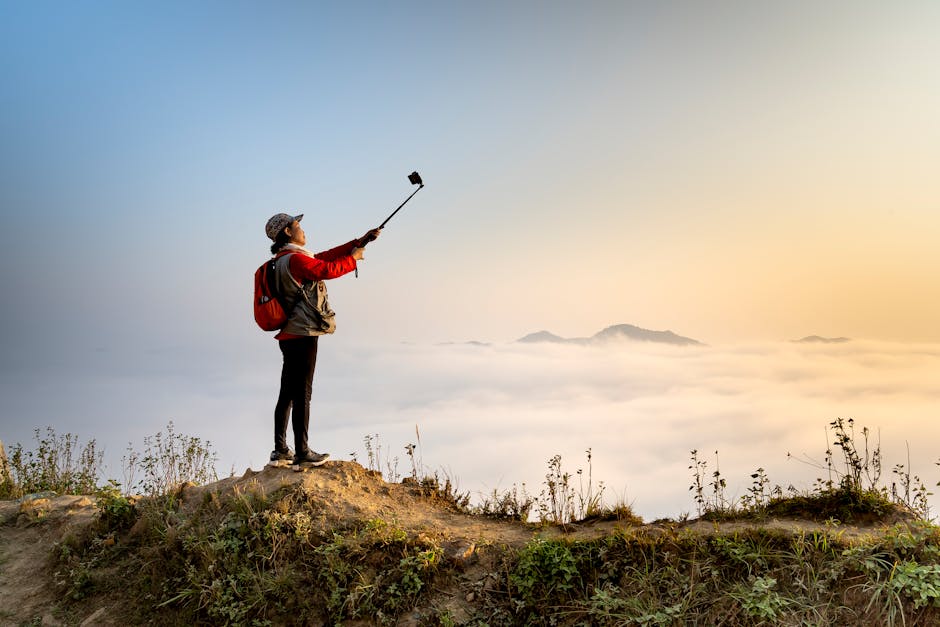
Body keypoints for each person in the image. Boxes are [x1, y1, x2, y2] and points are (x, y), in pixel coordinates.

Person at [264, 212, 381, 468]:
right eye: (298, 225)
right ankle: (302, 453)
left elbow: (323, 258)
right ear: (287, 232)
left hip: (288, 333)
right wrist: (353, 259)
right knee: (302, 393)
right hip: (303, 333)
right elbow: (326, 269)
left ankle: (280, 450)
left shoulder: (283, 260)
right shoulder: (296, 260)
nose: (303, 229)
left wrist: (358, 242)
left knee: (287, 393)